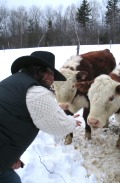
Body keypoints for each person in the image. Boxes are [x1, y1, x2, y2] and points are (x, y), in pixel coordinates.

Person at [0, 51, 81, 183]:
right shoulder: (37, 92)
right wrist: (71, 122)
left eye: (53, 75)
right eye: (50, 74)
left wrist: (10, 157)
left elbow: (18, 110)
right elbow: (58, 127)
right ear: (40, 72)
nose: (52, 79)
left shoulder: (12, 81)